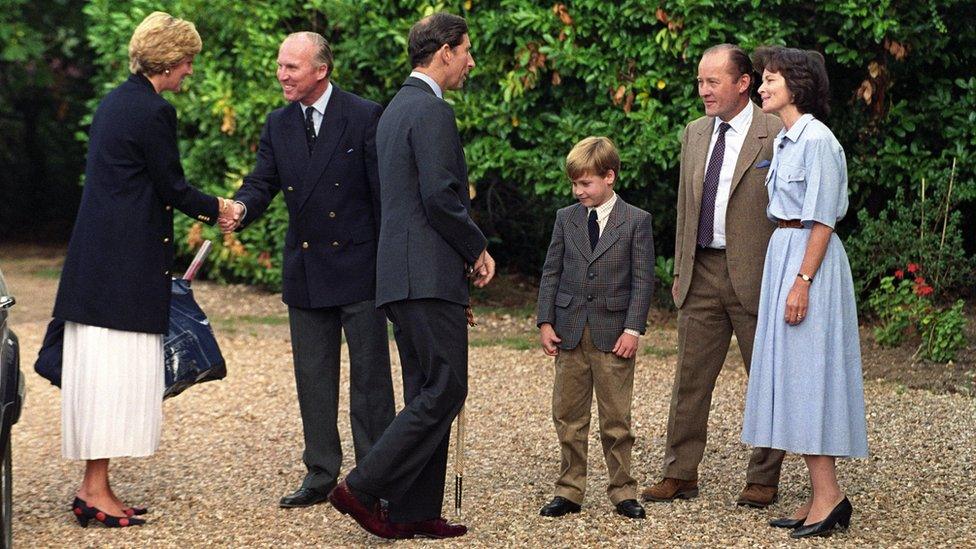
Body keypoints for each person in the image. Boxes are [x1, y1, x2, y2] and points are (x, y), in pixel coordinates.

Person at [52, 11, 235, 528]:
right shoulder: (154, 112)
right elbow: (171, 187)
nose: (190, 73)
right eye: (189, 63)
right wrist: (219, 208)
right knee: (114, 377)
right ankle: (93, 489)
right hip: (125, 269)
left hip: (98, 265)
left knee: (100, 375)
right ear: (171, 61)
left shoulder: (114, 101)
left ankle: (96, 485)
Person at [327, 12, 495, 540]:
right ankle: (361, 485)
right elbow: (440, 199)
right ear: (444, 50)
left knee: (427, 387)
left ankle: (412, 512)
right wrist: (476, 249)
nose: (470, 61)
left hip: (400, 275)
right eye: (466, 50)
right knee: (446, 386)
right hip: (426, 273)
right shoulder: (430, 112)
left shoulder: (395, 110)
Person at [219, 31, 395, 509]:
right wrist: (240, 207)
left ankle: (374, 479)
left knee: (371, 381)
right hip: (307, 268)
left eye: (291, 67)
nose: (282, 75)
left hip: (360, 269)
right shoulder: (278, 124)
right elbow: (262, 181)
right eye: (280, 66)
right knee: (313, 379)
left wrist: (392, 268)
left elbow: (384, 196)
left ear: (321, 70)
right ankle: (320, 474)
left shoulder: (364, 115)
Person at [643, 44, 786, 508]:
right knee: (689, 380)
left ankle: (764, 478)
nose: (702, 90)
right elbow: (686, 206)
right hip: (700, 270)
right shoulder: (694, 132)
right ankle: (680, 473)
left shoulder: (777, 130)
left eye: (712, 82)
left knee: (765, 378)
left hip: (757, 274)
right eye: (700, 81)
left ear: (743, 83)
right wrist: (681, 268)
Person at [741, 46, 868, 539]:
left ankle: (830, 497)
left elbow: (822, 219)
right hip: (786, 253)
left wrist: (803, 280)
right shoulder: (788, 140)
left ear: (797, 85)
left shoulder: (818, 141)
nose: (761, 86)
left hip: (808, 261)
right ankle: (821, 496)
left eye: (770, 79)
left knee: (812, 378)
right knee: (794, 379)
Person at [535, 137, 654, 520]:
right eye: (574, 184)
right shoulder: (565, 218)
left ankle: (622, 490)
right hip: (569, 330)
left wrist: (633, 330)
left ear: (609, 177)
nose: (578, 191)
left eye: (585, 184)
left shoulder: (636, 221)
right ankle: (569, 489)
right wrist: (545, 320)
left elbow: (642, 280)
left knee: (616, 419)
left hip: (613, 333)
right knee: (568, 416)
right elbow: (551, 270)